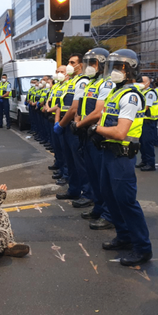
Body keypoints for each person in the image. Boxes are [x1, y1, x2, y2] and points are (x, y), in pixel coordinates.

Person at [89, 49, 153, 266]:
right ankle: (124, 236)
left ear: (130, 70)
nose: (113, 71)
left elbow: (120, 132)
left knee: (126, 202)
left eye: (118, 67)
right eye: (112, 67)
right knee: (110, 196)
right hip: (109, 153)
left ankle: (142, 247)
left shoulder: (131, 96)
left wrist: (96, 129)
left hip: (121, 156)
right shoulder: (116, 92)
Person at [74, 48, 115, 229]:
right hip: (86, 133)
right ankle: (98, 208)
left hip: (96, 133)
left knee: (101, 177)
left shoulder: (106, 84)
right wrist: (78, 121)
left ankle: (108, 213)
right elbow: (81, 106)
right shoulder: (91, 83)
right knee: (92, 174)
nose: (88, 67)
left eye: (92, 63)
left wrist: (79, 124)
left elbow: (98, 112)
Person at [55, 53, 94, 203]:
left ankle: (87, 193)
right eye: (69, 62)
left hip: (73, 125)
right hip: (66, 124)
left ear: (81, 65)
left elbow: (74, 108)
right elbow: (62, 104)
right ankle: (74, 189)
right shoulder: (71, 81)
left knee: (79, 162)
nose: (70, 65)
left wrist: (62, 124)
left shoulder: (83, 81)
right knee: (70, 160)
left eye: (73, 62)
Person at [135, 76, 158, 172]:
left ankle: (150, 163)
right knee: (142, 143)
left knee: (147, 143)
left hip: (148, 121)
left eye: (142, 82)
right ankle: (144, 161)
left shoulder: (150, 93)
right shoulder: (142, 92)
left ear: (148, 83)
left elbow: (146, 107)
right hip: (143, 120)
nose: (140, 83)